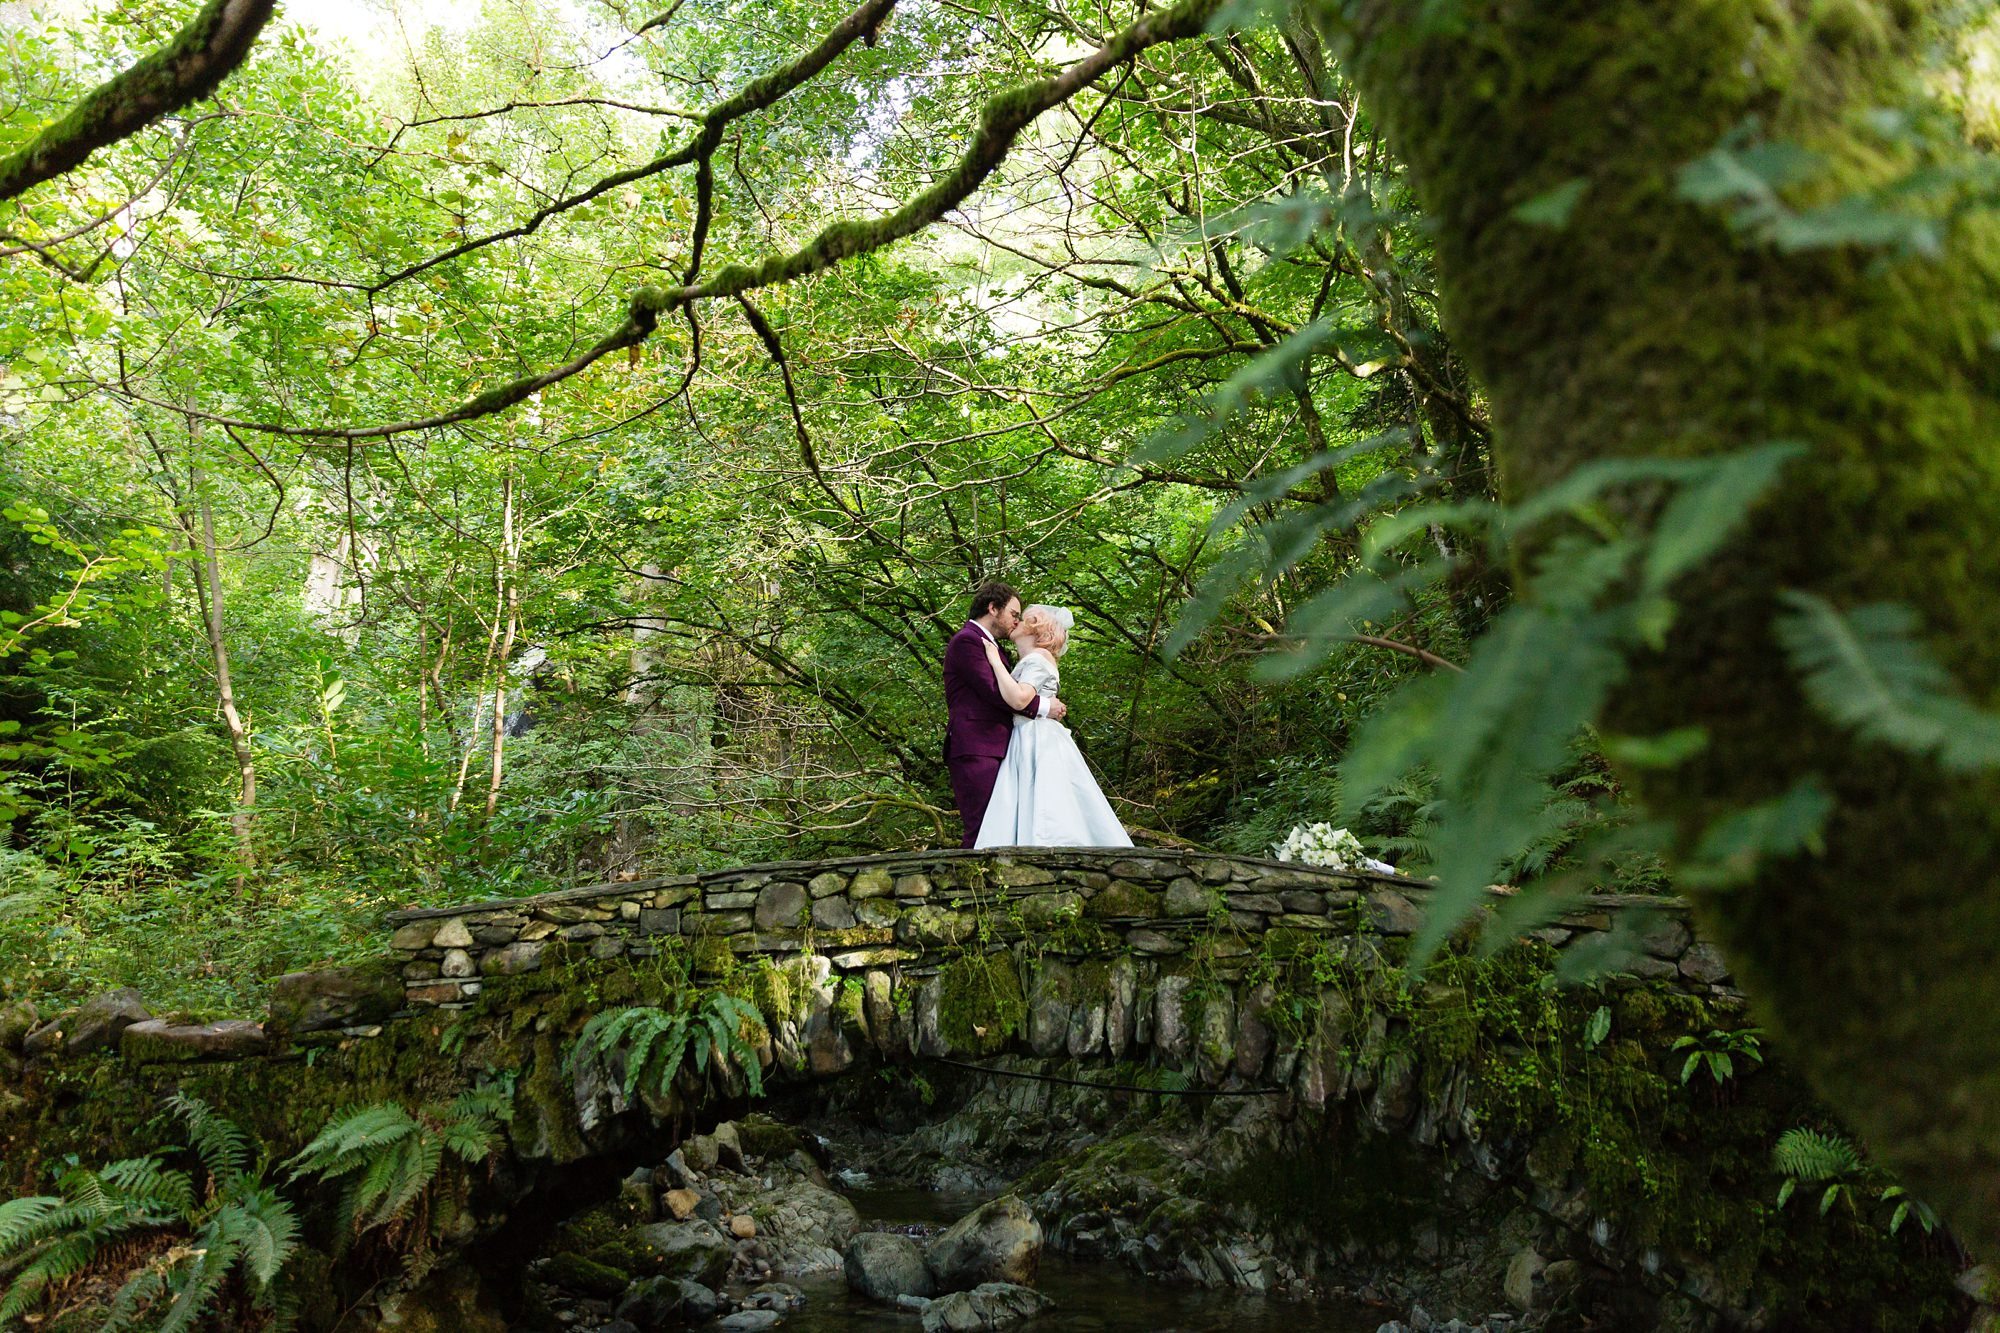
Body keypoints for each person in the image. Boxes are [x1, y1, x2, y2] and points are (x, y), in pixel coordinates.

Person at [972, 604, 1132, 849]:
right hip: (1028, 732)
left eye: (1023, 620)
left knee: (1046, 795)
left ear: (1036, 630)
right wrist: (1046, 704)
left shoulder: (1038, 658)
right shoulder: (1034, 659)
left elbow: (1018, 698)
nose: (1016, 623)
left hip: (1037, 736)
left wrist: (994, 661)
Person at [942, 582, 1067, 848]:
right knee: (982, 827)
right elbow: (995, 692)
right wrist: (1044, 706)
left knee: (999, 826)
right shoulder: (968, 641)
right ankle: (972, 887)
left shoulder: (992, 647)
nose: (1016, 620)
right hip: (977, 746)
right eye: (1013, 613)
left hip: (999, 747)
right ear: (992, 608)